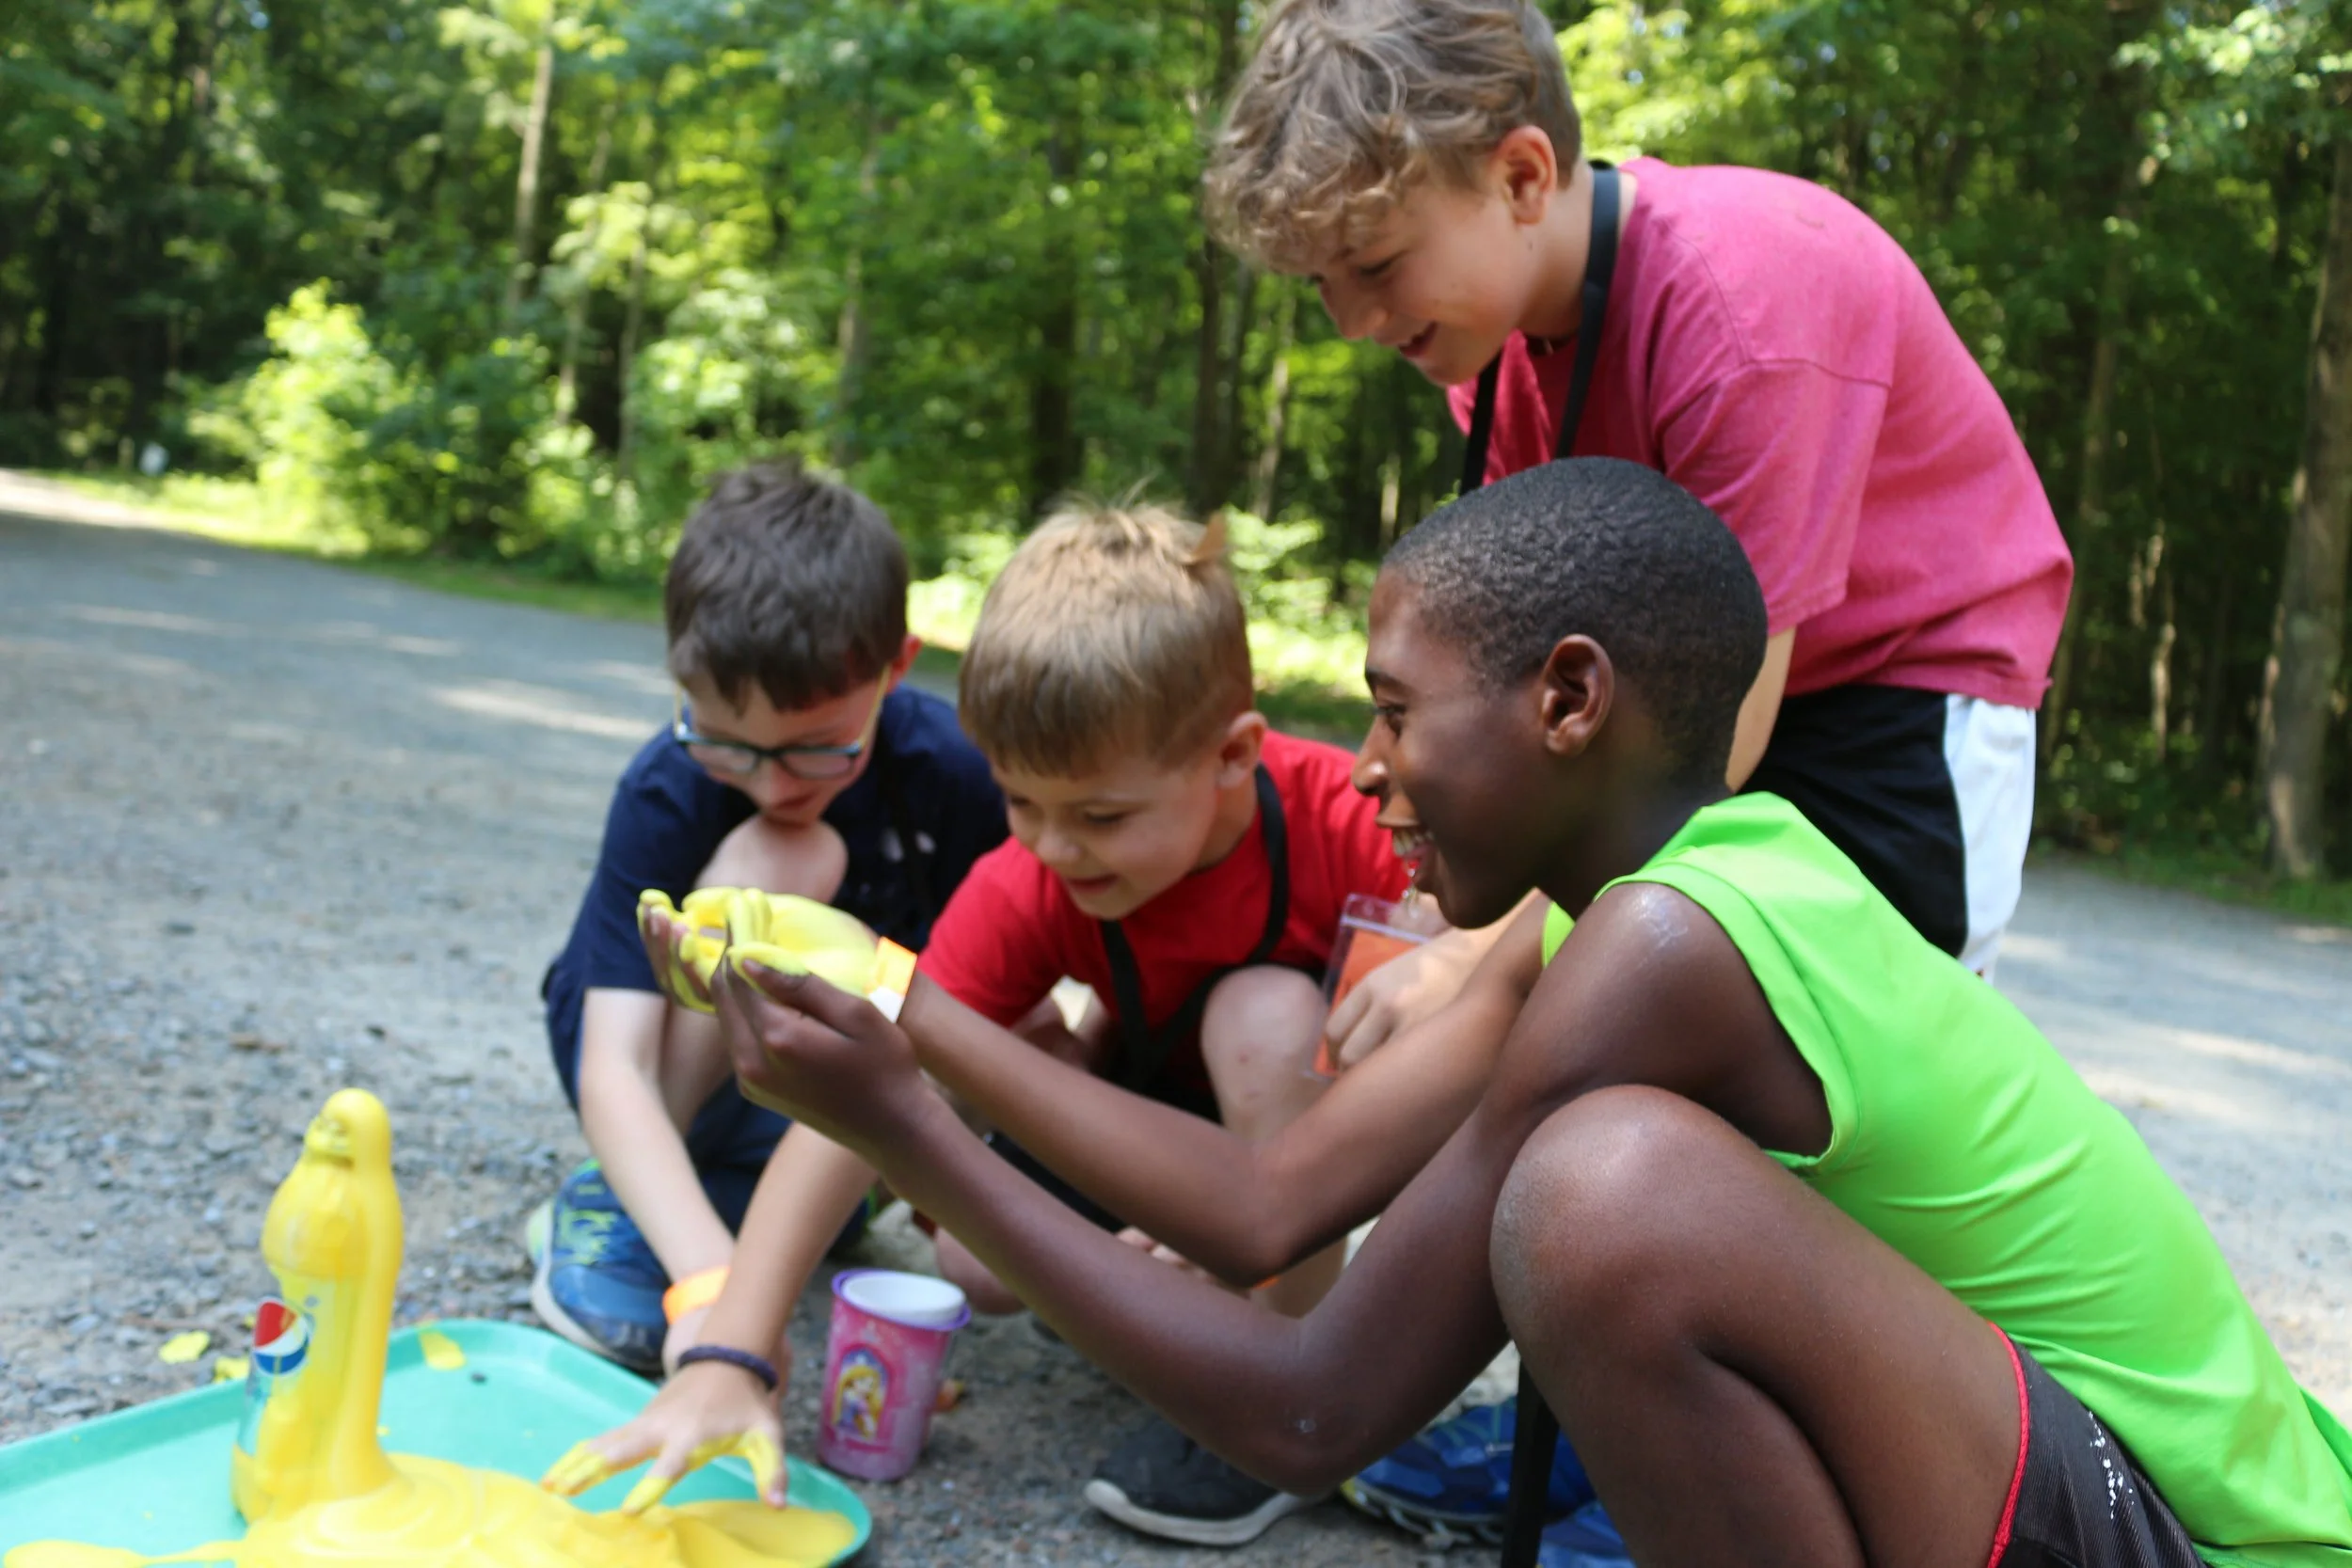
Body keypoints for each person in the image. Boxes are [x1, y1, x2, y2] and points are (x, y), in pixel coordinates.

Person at [668, 460, 2352, 1568]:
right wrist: (908, 1008)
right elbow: (1273, 1202)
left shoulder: (1673, 944)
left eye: (1395, 710)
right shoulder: (1625, 907)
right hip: (2062, 1492)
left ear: (1569, 697)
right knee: (1592, 1186)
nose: (1366, 766)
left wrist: (908, 1122)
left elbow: (1313, 1407)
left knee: (1604, 1195)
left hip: (2196, 1539)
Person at [1204, 0, 2076, 1529]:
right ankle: (1603, 1433)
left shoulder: (1743, 304)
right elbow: (1534, 696)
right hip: (1712, 689)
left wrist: (1482, 953)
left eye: (1375, 265)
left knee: (1800, 1097)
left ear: (1521, 174)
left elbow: (1702, 749)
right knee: (1571, 1039)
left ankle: (1785, 1469)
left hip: (1893, 691)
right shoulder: (1502, 349)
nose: (1348, 320)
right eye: (1322, 282)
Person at [560, 499, 1426, 1548]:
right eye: (1020, 803)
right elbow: (869, 1085)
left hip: (1300, 1153)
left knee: (1266, 1016)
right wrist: (730, 1350)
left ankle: (1277, 1394)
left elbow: (1500, 984)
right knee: (972, 1269)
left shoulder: (1352, 815)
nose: (1054, 847)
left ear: (1234, 754)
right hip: (1154, 1133)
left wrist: (1447, 961)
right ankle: (1182, 1312)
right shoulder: (1028, 879)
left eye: (1100, 816)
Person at [531, 461, 1006, 1375]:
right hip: (661, 1075)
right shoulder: (666, 787)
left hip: (821, 1091)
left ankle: (761, 1194)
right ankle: (622, 1197)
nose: (771, 781)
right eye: (725, 742)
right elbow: (614, 1067)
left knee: (998, 1008)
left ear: (896, 666)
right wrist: (715, 1288)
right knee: (786, 858)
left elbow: (1000, 1000)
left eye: (816, 748)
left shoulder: (953, 775)